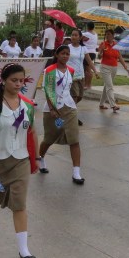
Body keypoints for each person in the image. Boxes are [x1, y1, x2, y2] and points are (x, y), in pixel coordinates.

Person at [0, 63, 40, 258]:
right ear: (4, 80)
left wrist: (36, 158)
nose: (18, 84)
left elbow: (32, 132)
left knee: (19, 204)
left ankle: (24, 250)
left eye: (21, 80)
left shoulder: (27, 105)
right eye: (14, 80)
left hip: (20, 160)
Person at [37, 45, 85, 184]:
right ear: (57, 55)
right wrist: (52, 109)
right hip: (53, 110)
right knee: (49, 138)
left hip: (69, 108)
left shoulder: (71, 70)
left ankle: (76, 172)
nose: (65, 56)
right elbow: (48, 90)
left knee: (74, 139)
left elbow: (69, 89)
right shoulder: (49, 71)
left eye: (67, 54)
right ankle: (41, 159)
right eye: (63, 53)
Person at [97, 29, 129, 112]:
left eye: (109, 34)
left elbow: (119, 57)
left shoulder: (116, 45)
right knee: (110, 86)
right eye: (106, 34)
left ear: (113, 35)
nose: (107, 36)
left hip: (114, 68)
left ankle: (101, 104)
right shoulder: (103, 44)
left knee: (107, 86)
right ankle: (113, 105)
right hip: (105, 67)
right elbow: (98, 56)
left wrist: (126, 67)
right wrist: (101, 52)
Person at [66, 29, 95, 122]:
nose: (73, 37)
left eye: (75, 35)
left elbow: (89, 61)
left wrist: (95, 71)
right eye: (72, 35)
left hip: (81, 76)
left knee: (80, 96)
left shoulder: (83, 48)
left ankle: (68, 110)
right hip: (71, 76)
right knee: (74, 96)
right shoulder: (67, 47)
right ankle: (73, 118)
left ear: (79, 37)